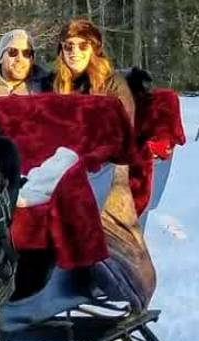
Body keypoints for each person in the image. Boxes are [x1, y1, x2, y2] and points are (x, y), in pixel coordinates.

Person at [53, 19, 154, 309]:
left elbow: (120, 132)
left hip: (109, 162)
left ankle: (126, 278)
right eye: (68, 46)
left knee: (105, 203)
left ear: (93, 49)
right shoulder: (56, 83)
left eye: (82, 46)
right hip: (62, 160)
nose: (74, 52)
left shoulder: (112, 84)